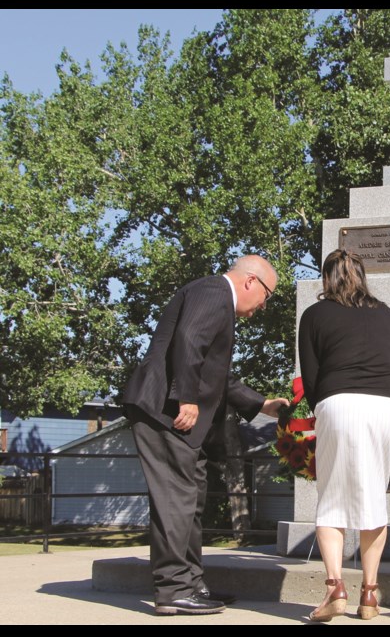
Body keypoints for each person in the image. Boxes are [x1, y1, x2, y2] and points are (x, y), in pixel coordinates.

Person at [121, 254, 290, 615]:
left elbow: (217, 375)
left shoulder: (217, 301)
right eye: (267, 296)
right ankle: (173, 591)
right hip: (165, 412)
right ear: (251, 282)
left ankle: (192, 583)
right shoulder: (215, 290)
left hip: (177, 417)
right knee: (175, 500)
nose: (262, 306)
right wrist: (187, 397)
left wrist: (262, 404)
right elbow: (189, 338)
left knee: (191, 500)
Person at [297, 249, 390, 622]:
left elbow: (310, 375)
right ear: (363, 276)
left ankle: (335, 589)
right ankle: (371, 594)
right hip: (386, 406)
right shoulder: (387, 314)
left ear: (327, 278)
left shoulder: (314, 315)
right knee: (374, 496)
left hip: (338, 403)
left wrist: (323, 407)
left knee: (331, 498)